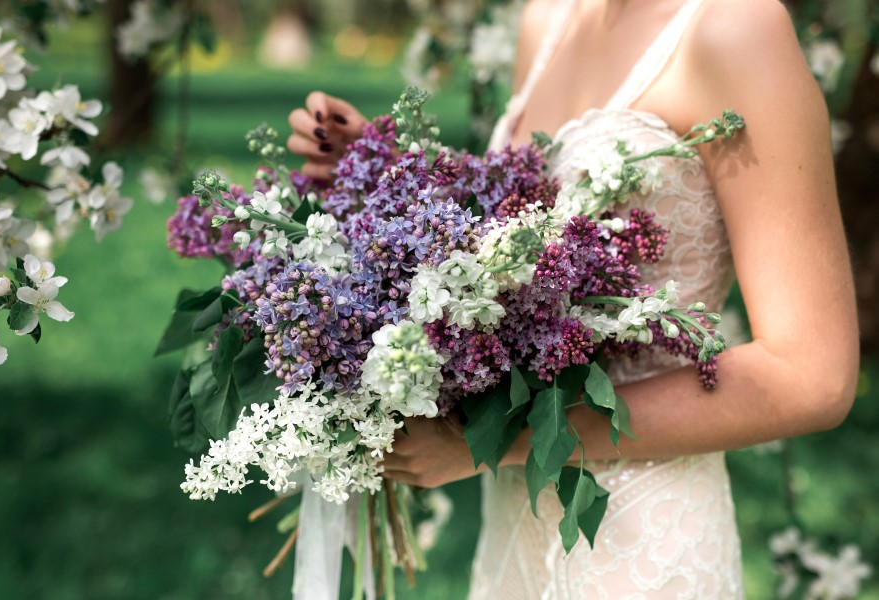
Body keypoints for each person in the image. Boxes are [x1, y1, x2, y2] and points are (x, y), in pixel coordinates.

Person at [286, 0, 860, 596]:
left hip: (645, 542)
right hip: (516, 532)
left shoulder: (737, 29)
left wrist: (498, 442)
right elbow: (531, 220)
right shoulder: (551, 18)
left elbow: (810, 376)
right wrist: (387, 171)